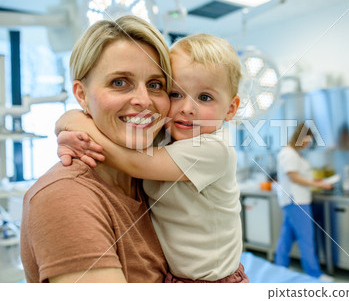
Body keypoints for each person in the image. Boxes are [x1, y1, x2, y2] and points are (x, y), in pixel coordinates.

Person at [56, 34, 248, 283]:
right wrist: (67, 129)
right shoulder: (163, 136)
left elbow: (134, 163)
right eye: (176, 94)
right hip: (176, 277)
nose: (187, 108)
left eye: (204, 98)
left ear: (231, 109)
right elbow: (117, 136)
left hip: (212, 282)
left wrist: (74, 123)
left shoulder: (213, 149)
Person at [20, 15, 173, 283]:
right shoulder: (65, 197)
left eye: (155, 85)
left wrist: (70, 121)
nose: (143, 100)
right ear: (81, 94)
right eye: (119, 82)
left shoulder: (154, 180)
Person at [274, 122, 334, 282]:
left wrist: (314, 180)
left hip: (297, 200)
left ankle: (279, 268)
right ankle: (314, 274)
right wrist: (317, 184)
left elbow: (300, 175)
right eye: (307, 140)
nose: (308, 143)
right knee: (306, 236)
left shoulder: (295, 153)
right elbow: (293, 177)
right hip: (296, 200)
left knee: (287, 236)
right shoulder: (288, 153)